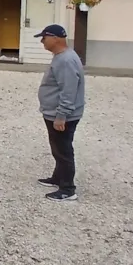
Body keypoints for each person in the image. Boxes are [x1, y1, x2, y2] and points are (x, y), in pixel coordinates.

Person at [34, 24, 86, 202]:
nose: (42, 41)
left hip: (61, 115)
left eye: (44, 37)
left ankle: (67, 189)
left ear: (55, 38)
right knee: (58, 148)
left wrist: (61, 115)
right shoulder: (62, 57)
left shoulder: (65, 60)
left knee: (63, 150)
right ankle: (58, 177)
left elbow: (68, 90)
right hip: (53, 112)